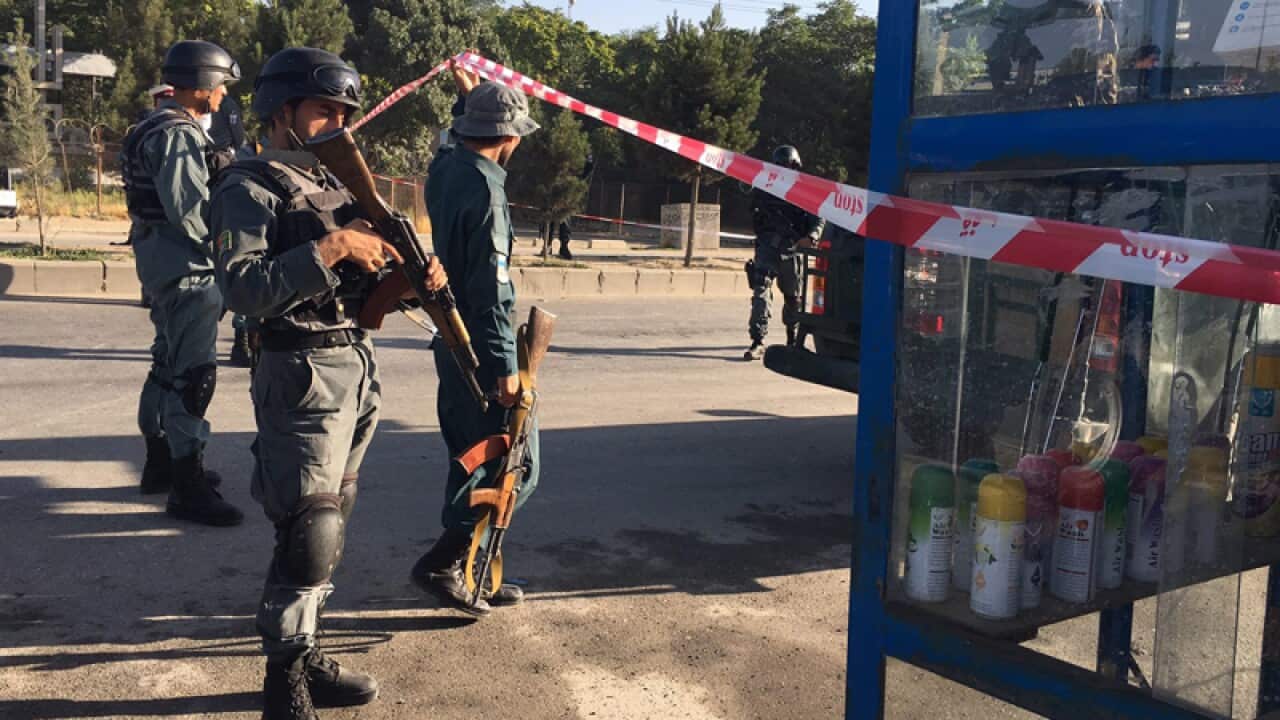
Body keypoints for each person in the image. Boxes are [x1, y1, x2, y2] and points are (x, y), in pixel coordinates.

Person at [210, 46, 449, 720]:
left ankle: (306, 650)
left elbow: (365, 289)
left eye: (346, 113)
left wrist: (411, 278)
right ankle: (283, 682)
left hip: (353, 365)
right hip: (299, 370)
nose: (338, 124)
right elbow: (242, 289)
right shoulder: (248, 185)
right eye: (324, 110)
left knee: (331, 519)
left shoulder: (336, 185)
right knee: (308, 529)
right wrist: (333, 245)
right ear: (281, 110)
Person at [412, 81, 541, 617]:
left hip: (452, 337)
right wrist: (506, 366)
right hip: (479, 347)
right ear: (511, 137)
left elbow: (447, 144)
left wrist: (467, 104)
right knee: (513, 465)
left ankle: (475, 571)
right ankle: (444, 563)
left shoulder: (446, 169)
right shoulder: (487, 188)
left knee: (471, 459)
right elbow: (493, 290)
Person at [121, 40, 243, 526]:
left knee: (166, 363)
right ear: (202, 83)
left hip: (160, 260)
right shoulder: (178, 134)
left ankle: (161, 463)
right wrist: (229, 256)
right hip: (187, 267)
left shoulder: (152, 124)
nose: (223, 94)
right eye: (221, 85)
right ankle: (187, 483)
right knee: (194, 373)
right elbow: (192, 213)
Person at [744, 145, 825, 361]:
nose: (784, 169)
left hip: (791, 249)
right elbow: (750, 202)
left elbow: (818, 216)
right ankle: (758, 340)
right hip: (767, 246)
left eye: (788, 165)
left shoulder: (804, 189)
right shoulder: (765, 186)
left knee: (793, 299)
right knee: (761, 291)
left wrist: (812, 236)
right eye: (780, 165)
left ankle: (793, 339)